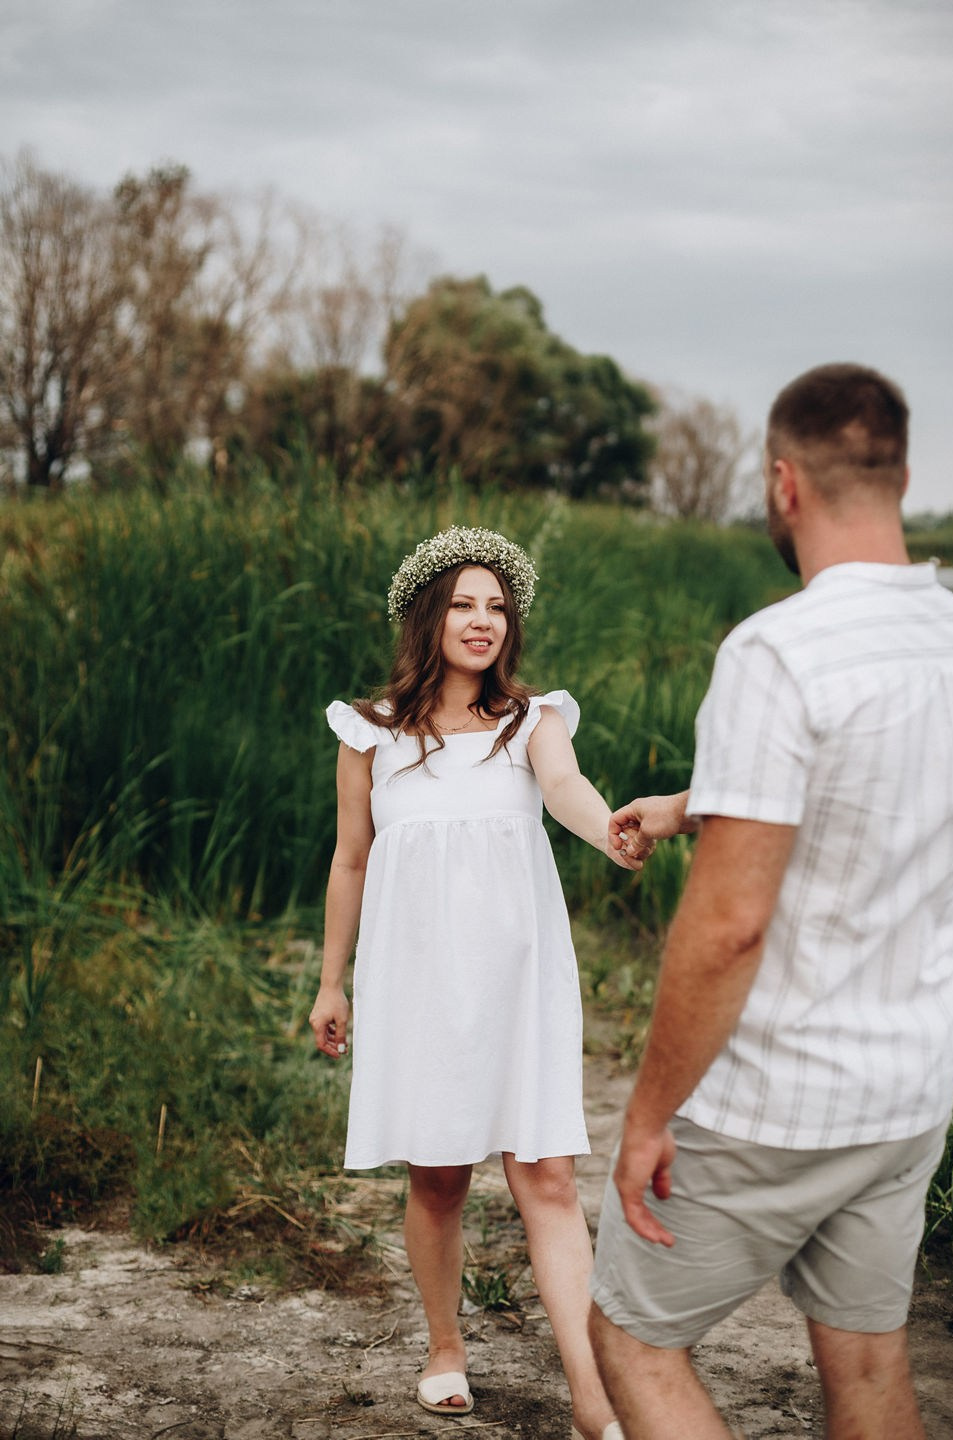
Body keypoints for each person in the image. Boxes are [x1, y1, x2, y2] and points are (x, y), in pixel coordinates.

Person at [588, 363, 953, 1440]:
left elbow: (727, 929)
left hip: (772, 1105)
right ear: (897, 474)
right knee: (872, 1365)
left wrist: (647, 1117)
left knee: (634, 1342)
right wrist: (694, 805)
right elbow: (881, 793)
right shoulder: (949, 636)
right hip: (907, 1094)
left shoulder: (778, 652)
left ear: (784, 484)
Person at [309, 525, 636, 1440]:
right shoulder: (368, 732)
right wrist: (333, 983)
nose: (484, 620)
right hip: (416, 977)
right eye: (464, 603)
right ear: (428, 615)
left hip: (518, 973)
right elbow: (349, 861)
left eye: (498, 606)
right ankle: (444, 1347)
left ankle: (592, 1399)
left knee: (549, 1178)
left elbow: (567, 788)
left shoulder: (535, 721)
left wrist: (609, 829)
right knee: (440, 1175)